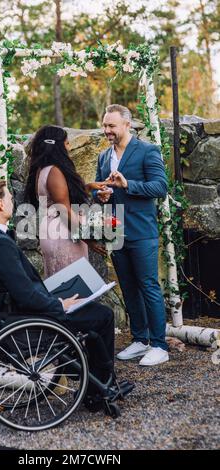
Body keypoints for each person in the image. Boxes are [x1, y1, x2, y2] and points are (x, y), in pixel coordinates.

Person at [0, 179, 128, 411]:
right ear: (0, 204)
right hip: (29, 320)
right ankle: (100, 390)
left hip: (15, 314)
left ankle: (89, 377)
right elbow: (24, 294)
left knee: (88, 308)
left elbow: (20, 288)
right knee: (102, 315)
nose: (13, 202)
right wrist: (59, 304)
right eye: (10, 198)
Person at [93, 104, 169, 366]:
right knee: (128, 287)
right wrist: (100, 195)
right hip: (116, 231)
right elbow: (98, 188)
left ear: (127, 125)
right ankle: (140, 340)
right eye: (105, 126)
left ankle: (160, 345)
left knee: (148, 287)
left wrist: (129, 185)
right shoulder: (103, 157)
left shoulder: (148, 151)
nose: (107, 130)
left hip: (142, 231)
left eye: (111, 125)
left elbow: (161, 186)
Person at [24, 125, 107, 278]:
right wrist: (87, 238)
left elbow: (57, 197)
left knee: (63, 286)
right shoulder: (55, 171)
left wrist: (87, 187)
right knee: (75, 288)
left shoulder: (41, 169)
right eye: (67, 143)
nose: (69, 147)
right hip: (64, 233)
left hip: (52, 231)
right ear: (58, 145)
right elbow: (64, 210)